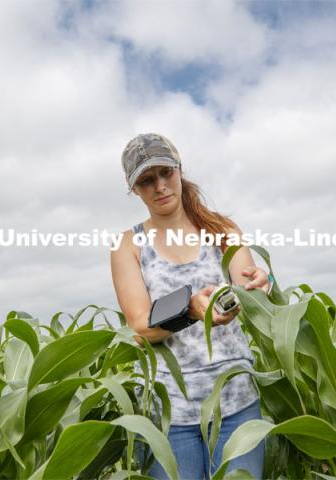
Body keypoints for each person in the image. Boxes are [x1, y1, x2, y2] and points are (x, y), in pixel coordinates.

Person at [110, 133, 271, 479]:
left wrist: (260, 283)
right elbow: (139, 328)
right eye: (146, 180)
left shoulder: (222, 229)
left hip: (236, 402)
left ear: (179, 170)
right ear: (134, 189)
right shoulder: (129, 246)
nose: (160, 186)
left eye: (166, 173)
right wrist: (191, 313)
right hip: (169, 415)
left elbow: (247, 288)